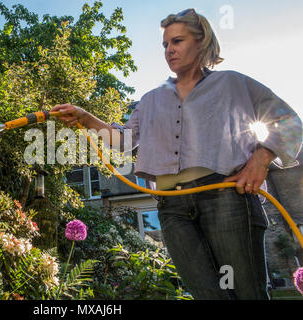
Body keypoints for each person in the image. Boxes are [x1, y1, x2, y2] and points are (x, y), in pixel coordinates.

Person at [50, 8, 302, 299]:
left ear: (201, 41)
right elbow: (123, 141)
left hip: (226, 198)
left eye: (177, 41)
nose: (169, 50)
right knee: (208, 295)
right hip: (172, 208)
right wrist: (85, 117)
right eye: (165, 45)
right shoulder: (150, 100)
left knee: (247, 293)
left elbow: (289, 120)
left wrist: (261, 158)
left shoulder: (233, 83)